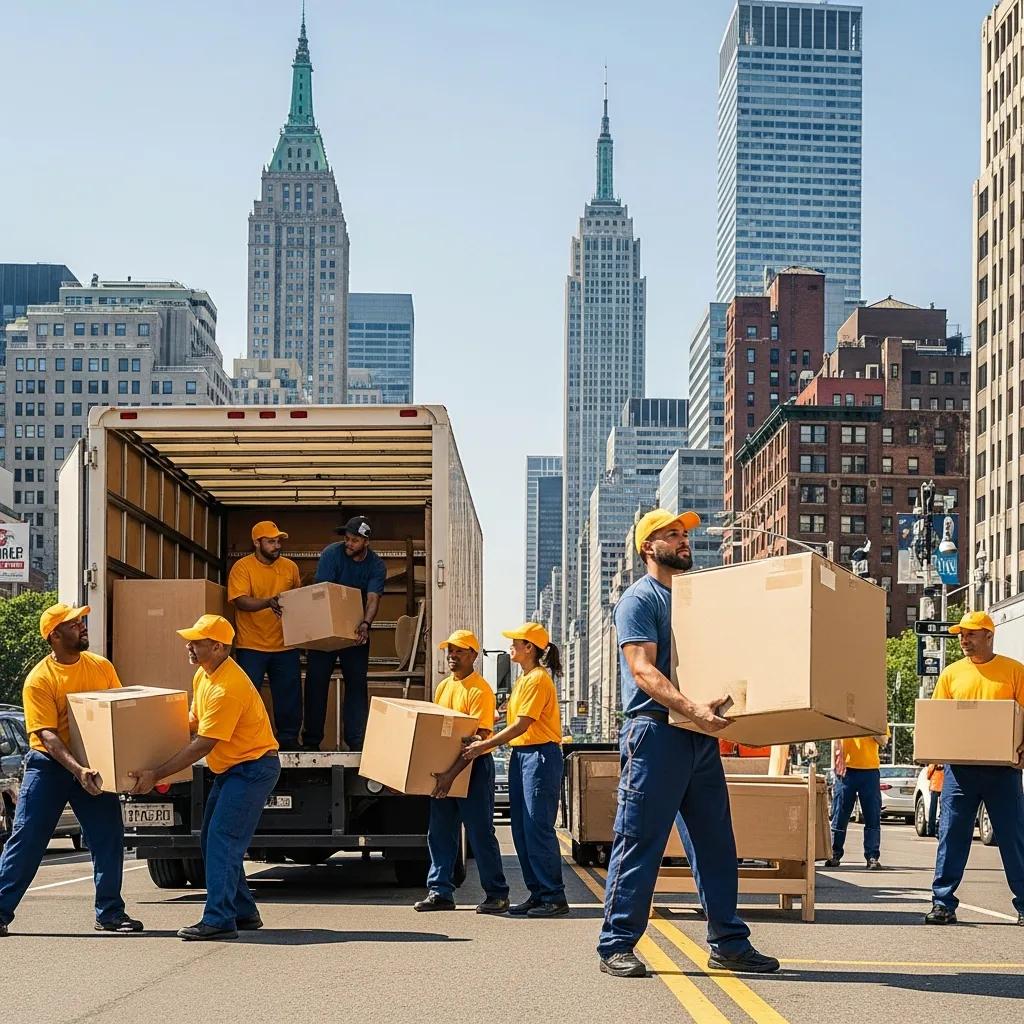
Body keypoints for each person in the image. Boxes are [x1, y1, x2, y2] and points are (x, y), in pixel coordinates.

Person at [595, 509, 779, 979]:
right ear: (646, 548)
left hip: (698, 735)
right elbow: (642, 670)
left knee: (715, 843)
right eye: (670, 535)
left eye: (684, 534)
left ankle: (729, 943)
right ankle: (616, 943)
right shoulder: (640, 599)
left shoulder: (696, 602)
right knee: (641, 840)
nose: (682, 540)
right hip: (655, 733)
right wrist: (693, 709)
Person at [129, 614, 280, 941]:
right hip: (234, 769)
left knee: (223, 841)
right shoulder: (205, 676)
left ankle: (219, 919)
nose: (189, 646)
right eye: (190, 640)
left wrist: (156, 773)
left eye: (196, 642)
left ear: (219, 646)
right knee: (211, 839)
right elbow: (195, 721)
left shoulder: (228, 687)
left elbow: (203, 745)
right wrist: (147, 725)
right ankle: (243, 911)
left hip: (252, 770)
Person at [0, 603, 143, 937]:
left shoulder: (101, 667)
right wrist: (77, 769)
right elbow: (47, 735)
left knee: (108, 836)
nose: (82, 626)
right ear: (55, 635)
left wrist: (122, 765)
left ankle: (110, 913)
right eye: (73, 623)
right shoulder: (40, 679)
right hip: (49, 768)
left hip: (93, 765)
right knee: (28, 840)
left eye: (81, 621)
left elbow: (116, 716)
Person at [924, 610, 1024, 926]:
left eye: (970, 634)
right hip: (960, 771)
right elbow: (938, 719)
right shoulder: (951, 675)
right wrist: (935, 758)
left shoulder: (1014, 671)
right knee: (951, 836)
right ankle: (942, 904)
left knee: (1014, 838)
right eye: (961, 635)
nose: (964, 640)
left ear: (988, 635)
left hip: (1003, 771)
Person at [463, 622, 567, 918]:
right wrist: (476, 731)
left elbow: (522, 724)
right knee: (521, 830)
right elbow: (502, 719)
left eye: (515, 643)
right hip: (522, 756)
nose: (510, 647)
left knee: (537, 827)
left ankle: (553, 896)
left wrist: (483, 746)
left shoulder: (537, 680)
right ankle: (538, 894)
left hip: (540, 757)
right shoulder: (523, 680)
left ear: (529, 648)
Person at [413, 630, 510, 915]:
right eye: (450, 651)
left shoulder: (480, 690)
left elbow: (477, 743)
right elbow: (436, 734)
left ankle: (497, 894)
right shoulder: (443, 687)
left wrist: (449, 776)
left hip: (473, 768)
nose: (452, 656)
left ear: (473, 656)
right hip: (445, 767)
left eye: (459, 651)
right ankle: (440, 891)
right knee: (440, 832)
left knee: (480, 832)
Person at [302, 516, 386, 751]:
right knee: (316, 683)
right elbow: (324, 593)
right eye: (347, 539)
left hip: (355, 631)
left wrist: (366, 624)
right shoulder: (332, 553)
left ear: (366, 542)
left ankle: (357, 742)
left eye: (355, 540)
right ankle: (311, 742)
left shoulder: (376, 566)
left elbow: (372, 598)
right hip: (325, 628)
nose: (349, 543)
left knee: (357, 685)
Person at [228, 521, 302, 750]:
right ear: (256, 543)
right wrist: (267, 603)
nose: (276, 545)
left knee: (289, 697)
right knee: (248, 698)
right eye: (271, 541)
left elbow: (299, 599)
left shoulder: (290, 567)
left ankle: (289, 741)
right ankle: (250, 743)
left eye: (278, 541)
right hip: (252, 646)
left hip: (286, 645)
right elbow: (240, 601)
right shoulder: (242, 567)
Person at [825, 728, 889, 870]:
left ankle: (872, 856)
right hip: (846, 771)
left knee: (872, 816)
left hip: (870, 771)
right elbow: (835, 739)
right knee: (840, 814)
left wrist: (870, 727)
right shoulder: (844, 713)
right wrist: (834, 767)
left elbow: (883, 741)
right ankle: (834, 854)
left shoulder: (876, 717)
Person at [926, 764, 945, 838]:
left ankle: (931, 829)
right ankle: (939, 828)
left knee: (932, 809)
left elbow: (928, 775)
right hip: (944, 787)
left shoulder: (934, 763)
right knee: (943, 809)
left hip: (934, 786)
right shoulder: (946, 764)